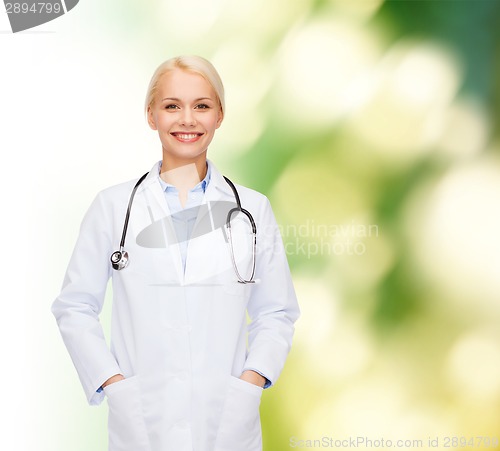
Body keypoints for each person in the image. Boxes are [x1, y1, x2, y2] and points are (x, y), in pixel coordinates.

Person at [52, 55, 299, 451]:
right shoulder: (113, 207)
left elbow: (277, 312)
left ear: (220, 115)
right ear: (151, 115)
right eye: (172, 106)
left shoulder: (253, 210)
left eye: (202, 106)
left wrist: (252, 380)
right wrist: (113, 383)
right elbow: (74, 306)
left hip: (228, 422)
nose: (188, 119)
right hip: (142, 422)